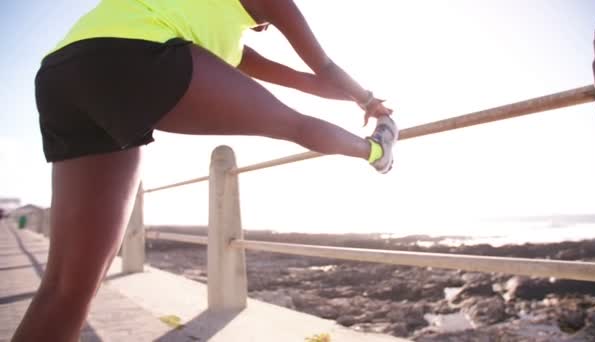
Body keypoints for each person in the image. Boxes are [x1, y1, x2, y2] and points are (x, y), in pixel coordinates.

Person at [13, 0, 397, 340]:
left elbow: (309, 83)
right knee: (295, 125)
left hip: (61, 72)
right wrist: (369, 102)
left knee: (65, 287)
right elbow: (325, 68)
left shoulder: (225, 40)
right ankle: (376, 149)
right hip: (132, 54)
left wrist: (359, 97)